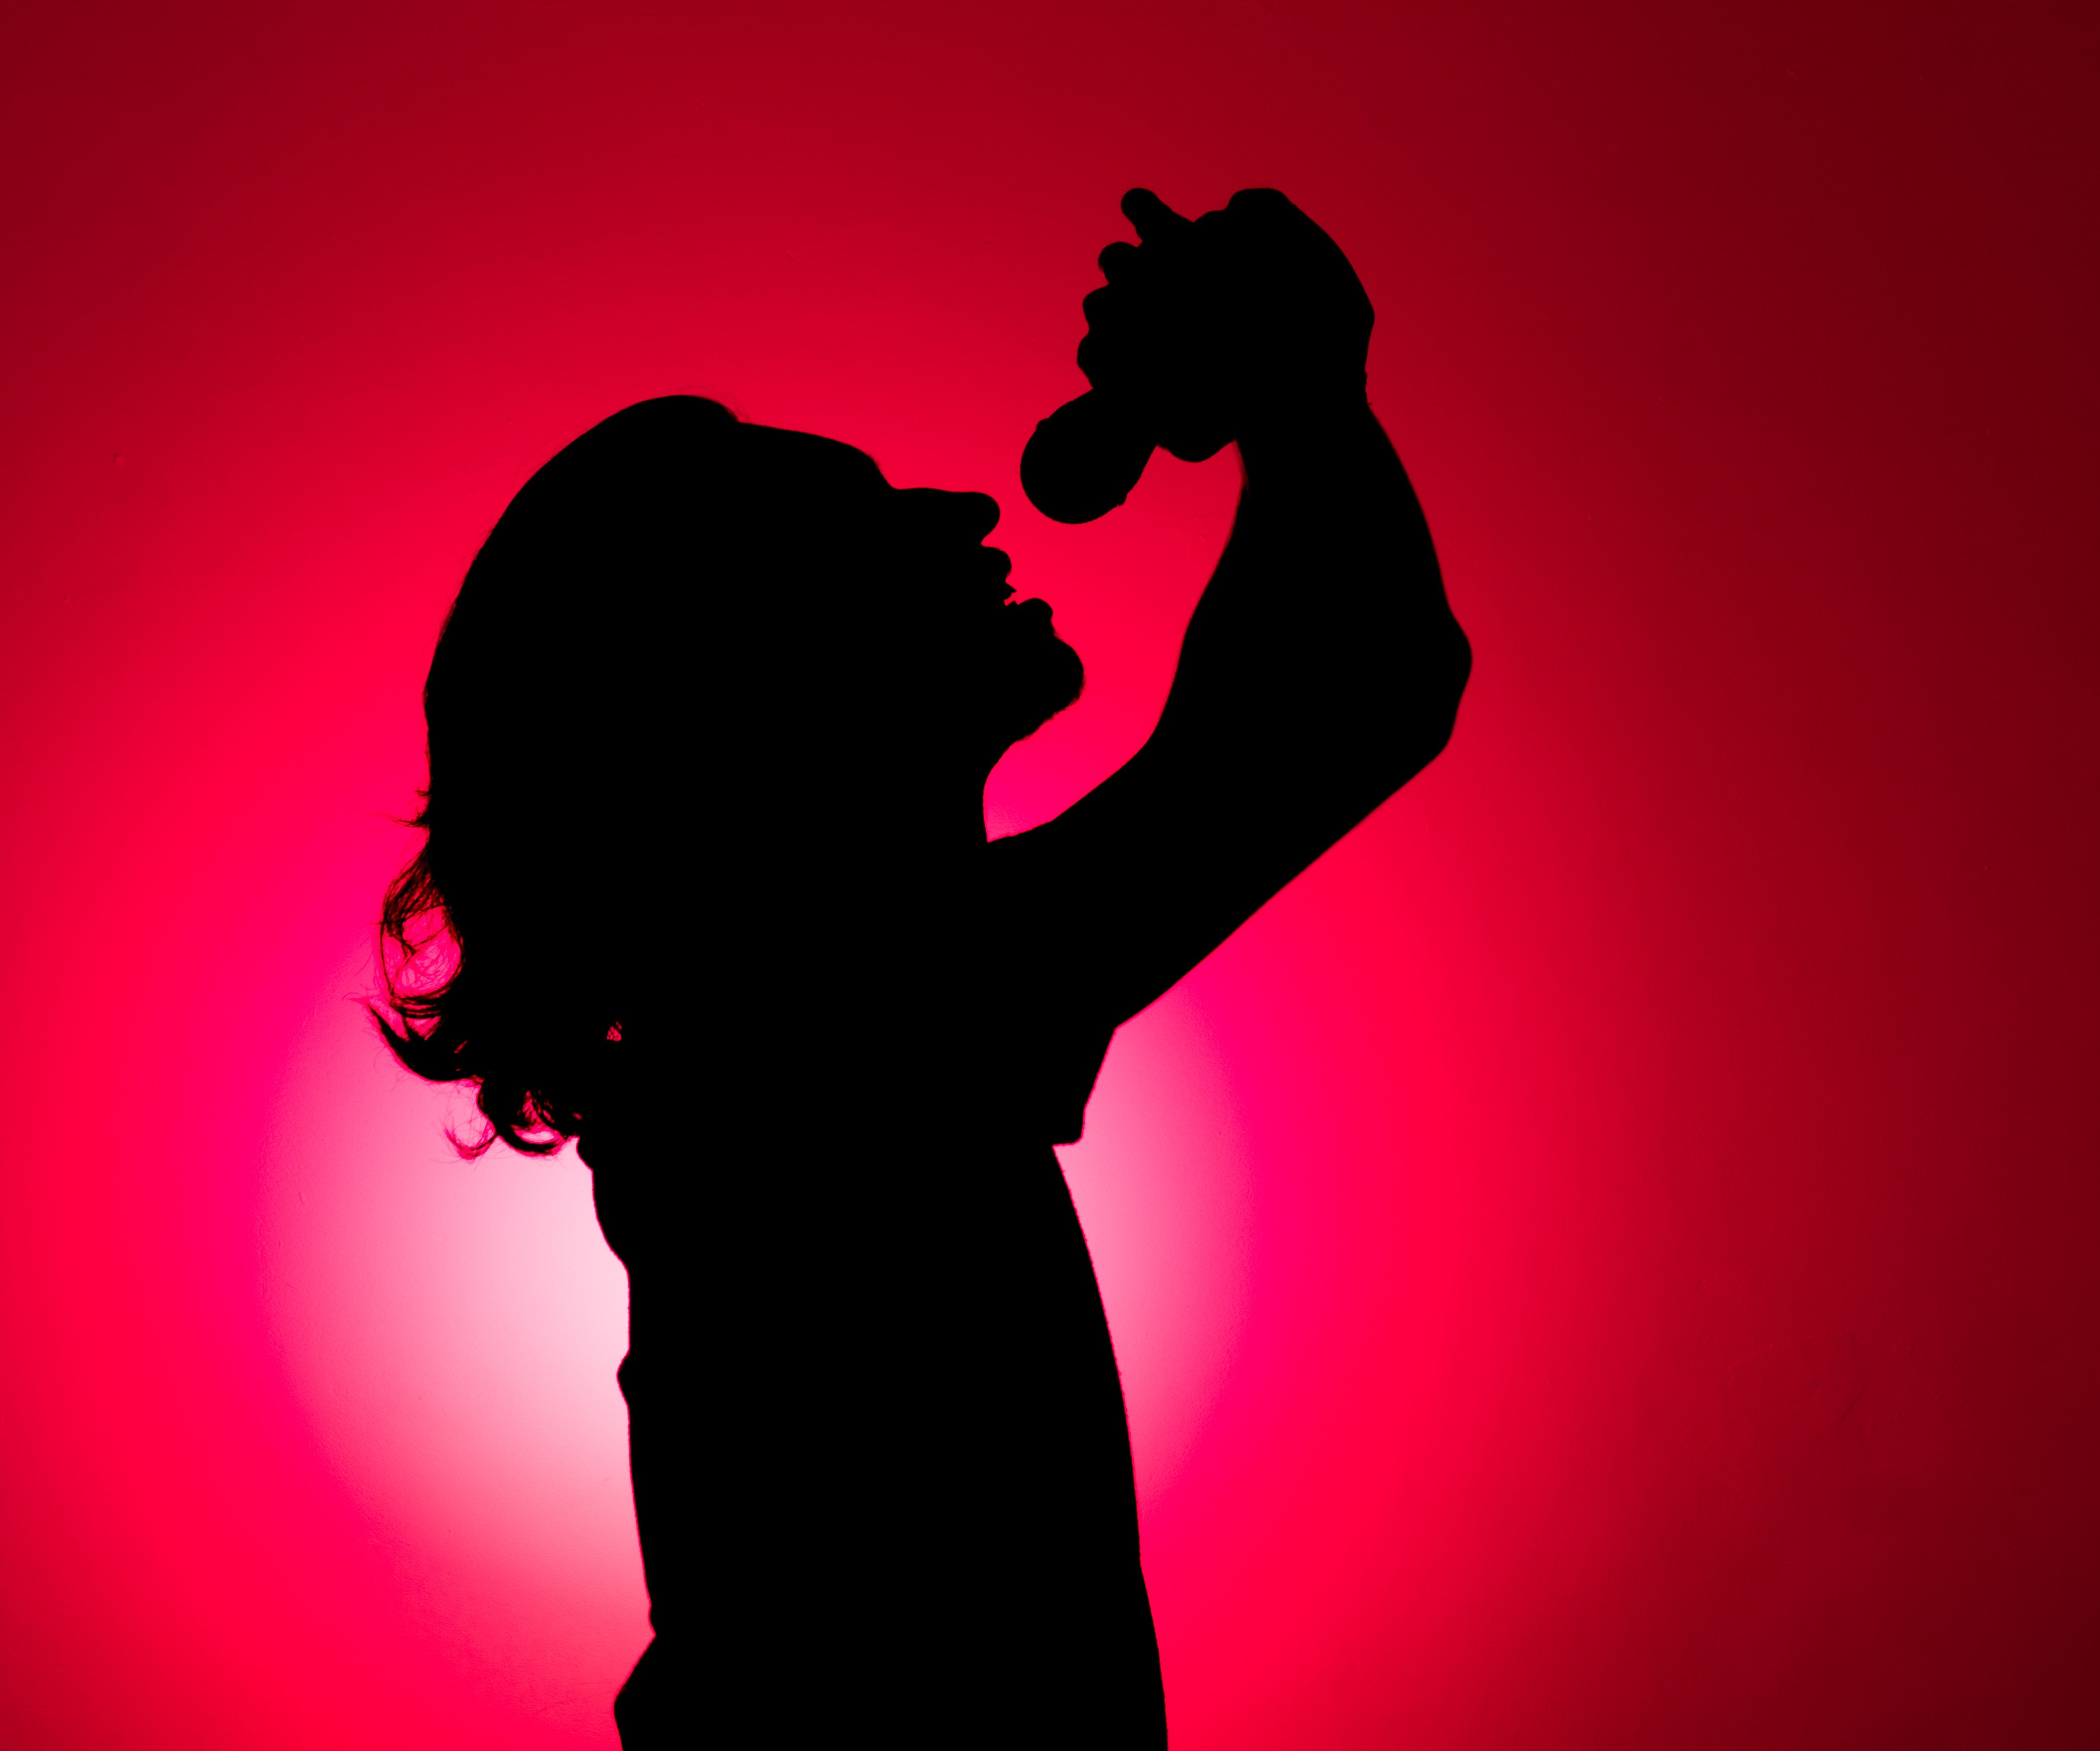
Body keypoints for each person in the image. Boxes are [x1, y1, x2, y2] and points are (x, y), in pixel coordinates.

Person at [374, 187, 1470, 1745]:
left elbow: (1334, 698)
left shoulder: (781, 1024)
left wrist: (1298, 399)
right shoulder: (824, 1025)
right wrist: (1298, 390)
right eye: (860, 525)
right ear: (740, 689)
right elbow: (1350, 690)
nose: (963, 514)